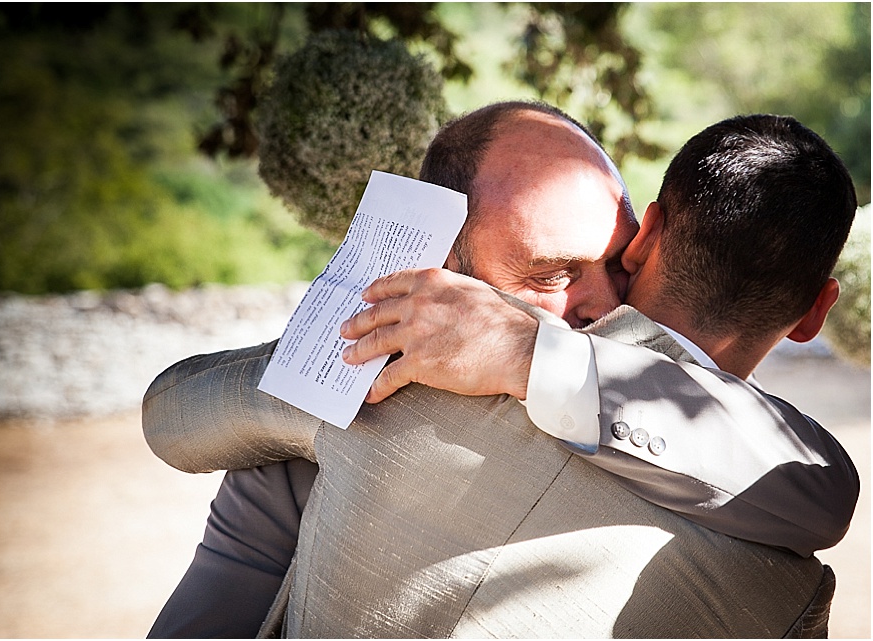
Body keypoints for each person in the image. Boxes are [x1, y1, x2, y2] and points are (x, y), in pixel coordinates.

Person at [144, 105, 858, 637]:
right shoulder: (370, 381)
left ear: (645, 239)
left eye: (611, 263)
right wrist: (337, 354)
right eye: (548, 274)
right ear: (444, 269)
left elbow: (818, 486)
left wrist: (526, 352)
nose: (597, 307)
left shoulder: (763, 479)